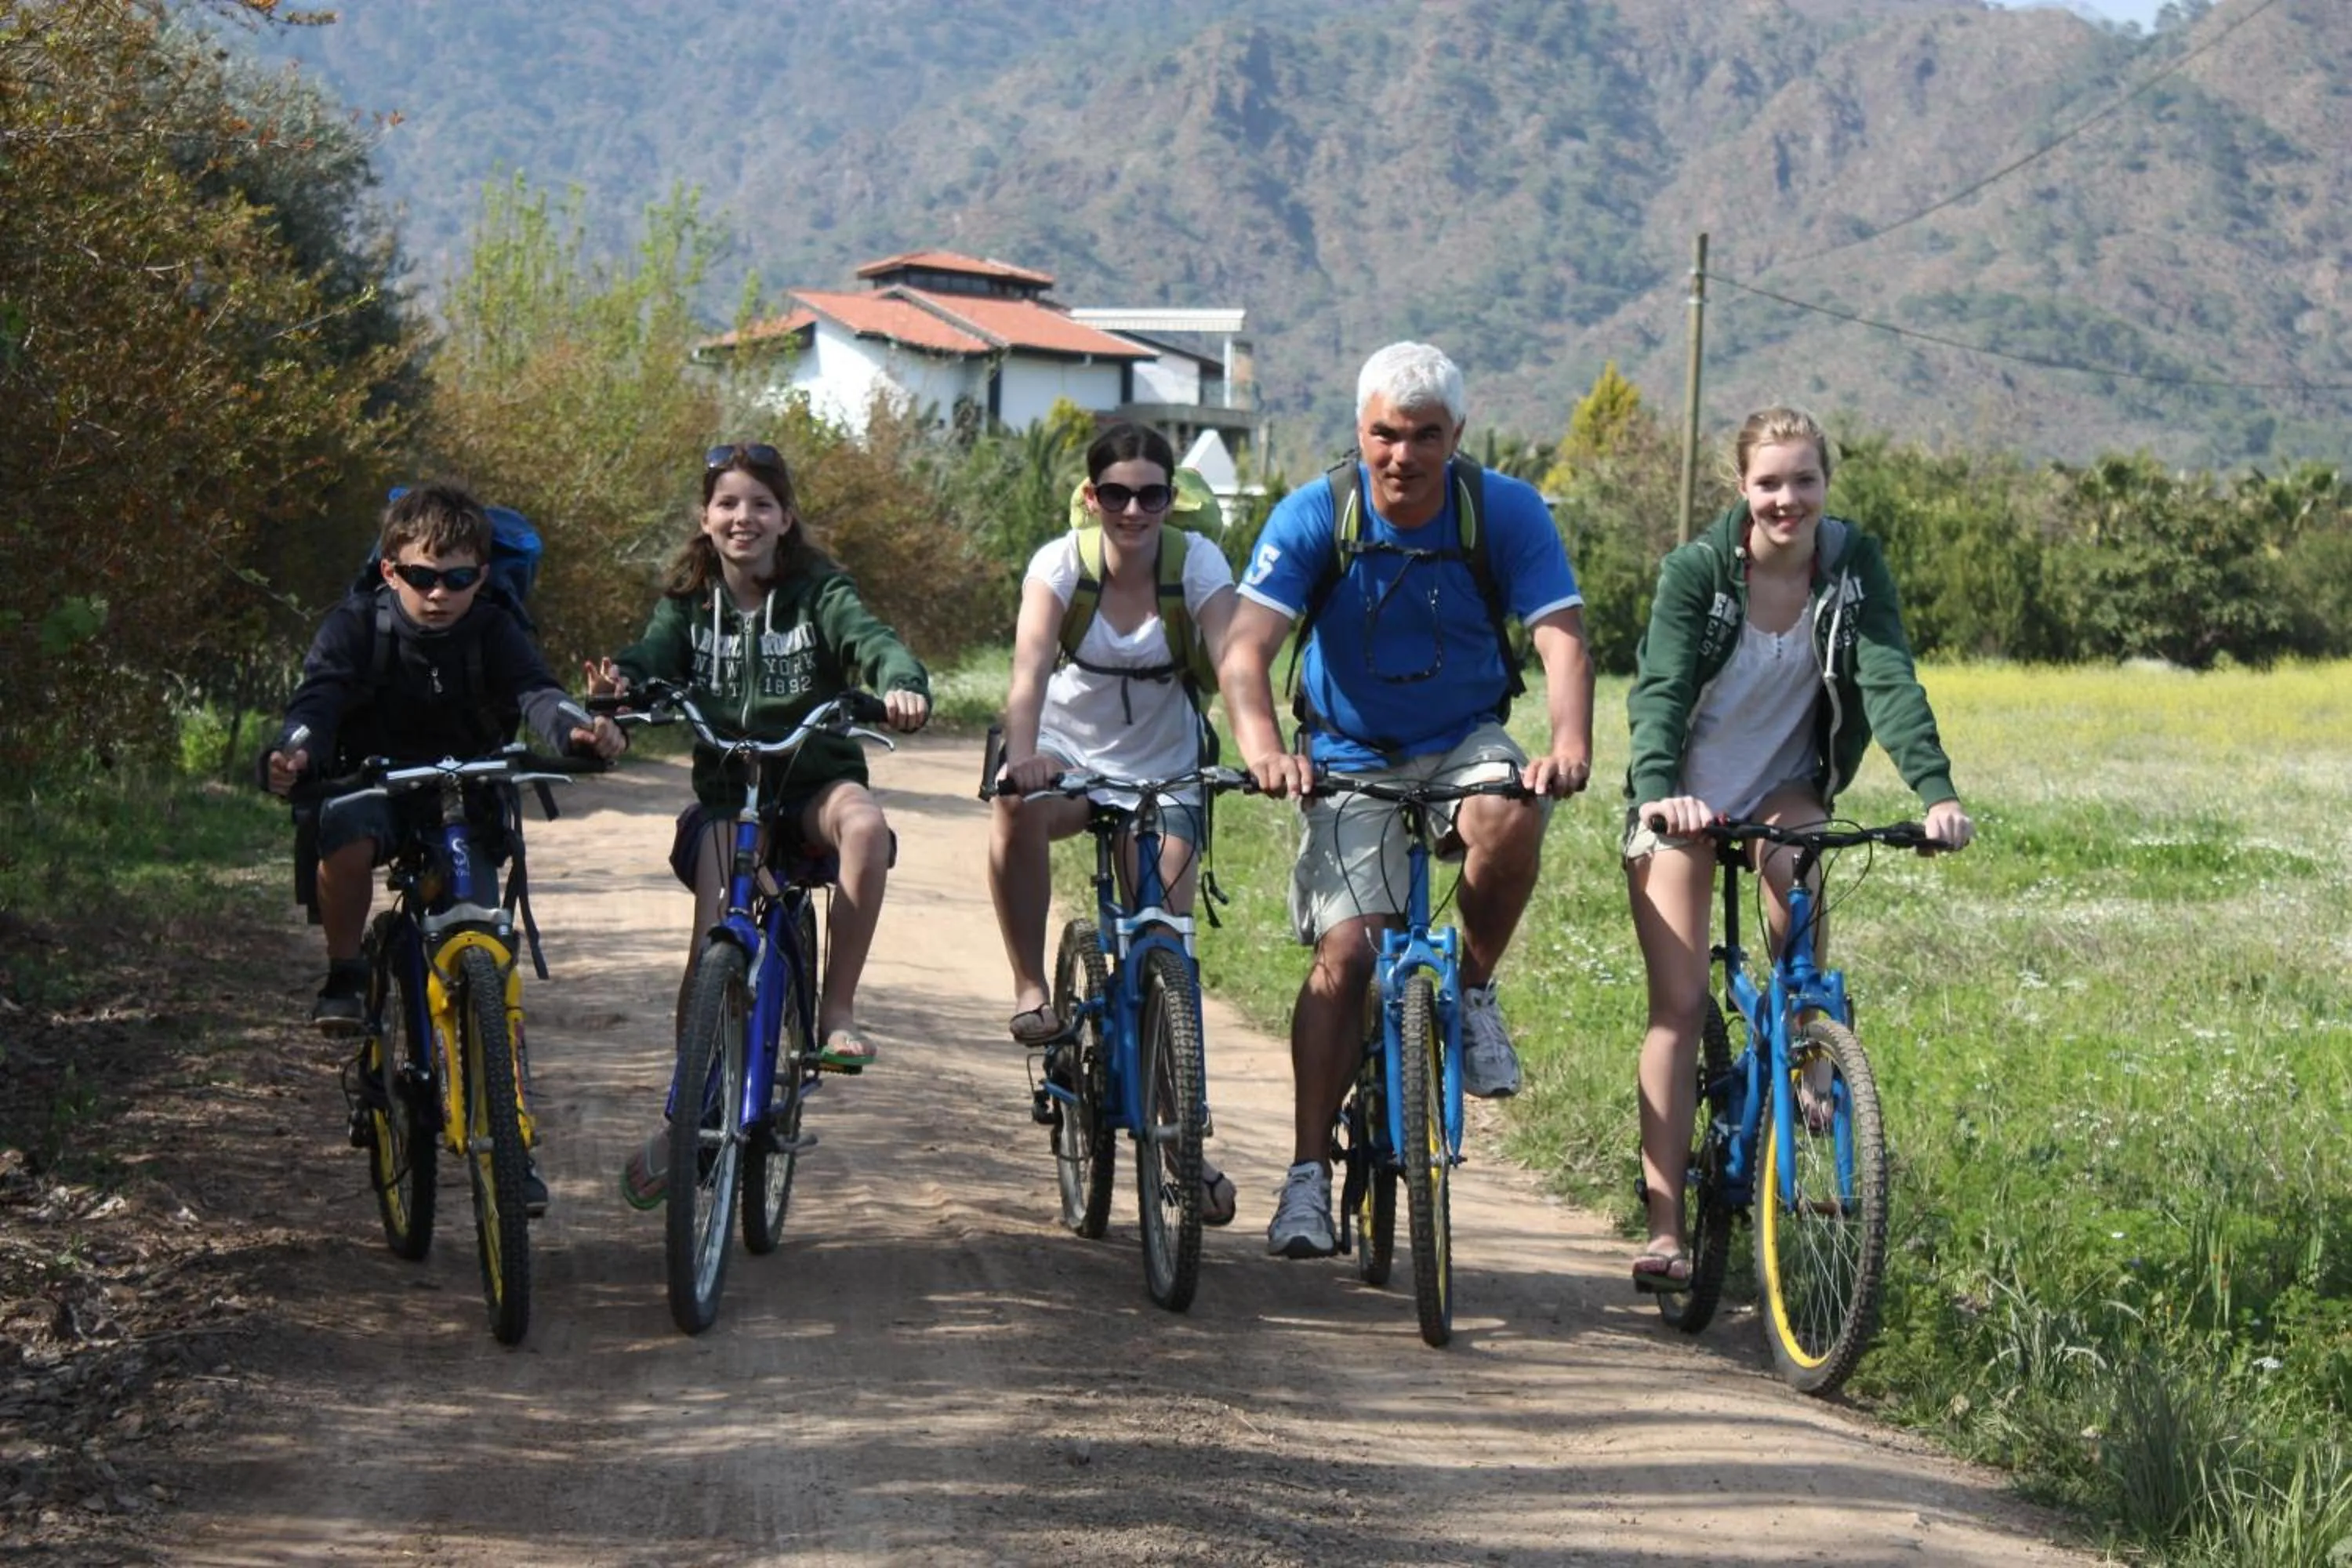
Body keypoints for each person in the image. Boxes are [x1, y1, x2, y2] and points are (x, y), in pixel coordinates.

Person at [1220, 341, 1596, 1259]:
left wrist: (1571, 742)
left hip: (1463, 736)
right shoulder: (1318, 513)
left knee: (1511, 806)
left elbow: (1561, 635)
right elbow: (1244, 650)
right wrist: (1267, 749)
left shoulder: (1501, 510)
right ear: (1360, 432)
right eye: (1385, 434)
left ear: (1457, 436)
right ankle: (1307, 1174)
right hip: (1348, 751)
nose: (1403, 455)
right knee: (1347, 954)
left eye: (1426, 436)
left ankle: (1468, 989)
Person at [1623, 405, 1974, 1292]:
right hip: (1687, 796)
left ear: (1827, 483)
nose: (1788, 498)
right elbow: (1661, 689)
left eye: (1804, 480)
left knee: (1806, 871)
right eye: (1770, 482)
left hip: (1783, 785)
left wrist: (1936, 794)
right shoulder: (1699, 571)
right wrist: (1663, 789)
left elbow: (1888, 676)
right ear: (1742, 488)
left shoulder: (1852, 567)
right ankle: (1666, 1227)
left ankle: (1809, 1051)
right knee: (1679, 1001)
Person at [263, 483, 628, 1211]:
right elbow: (317, 701)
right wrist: (294, 754)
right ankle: (345, 974)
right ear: (390, 569)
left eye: (458, 578)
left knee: (484, 944)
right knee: (345, 837)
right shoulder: (354, 626)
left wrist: (578, 731)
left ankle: (510, 1136)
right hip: (375, 781)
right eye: (423, 576)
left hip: (466, 792)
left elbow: (537, 694)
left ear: (482, 576)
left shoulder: (494, 629)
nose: (440, 593)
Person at [594, 442, 929, 1207]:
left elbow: (871, 642)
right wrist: (626, 684)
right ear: (705, 517)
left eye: (760, 504)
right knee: (712, 936)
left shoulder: (819, 590)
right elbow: (651, 655)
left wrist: (901, 685)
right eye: (727, 504)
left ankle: (837, 1011)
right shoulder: (686, 599)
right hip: (727, 795)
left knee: (867, 827)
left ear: (786, 517)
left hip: (813, 783)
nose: (743, 517)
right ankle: (689, 1115)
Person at [987, 422, 1241, 1224]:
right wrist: (1025, 758)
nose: (1134, 509)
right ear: (1091, 498)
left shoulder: (1196, 563)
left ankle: (1180, 1142)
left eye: (1152, 493)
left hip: (1163, 764)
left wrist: (1262, 748)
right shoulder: (1061, 563)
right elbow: (1029, 668)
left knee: (1162, 943)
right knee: (1014, 808)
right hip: (1067, 753)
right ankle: (1033, 983)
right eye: (1118, 494)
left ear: (1172, 499)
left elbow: (1235, 662)